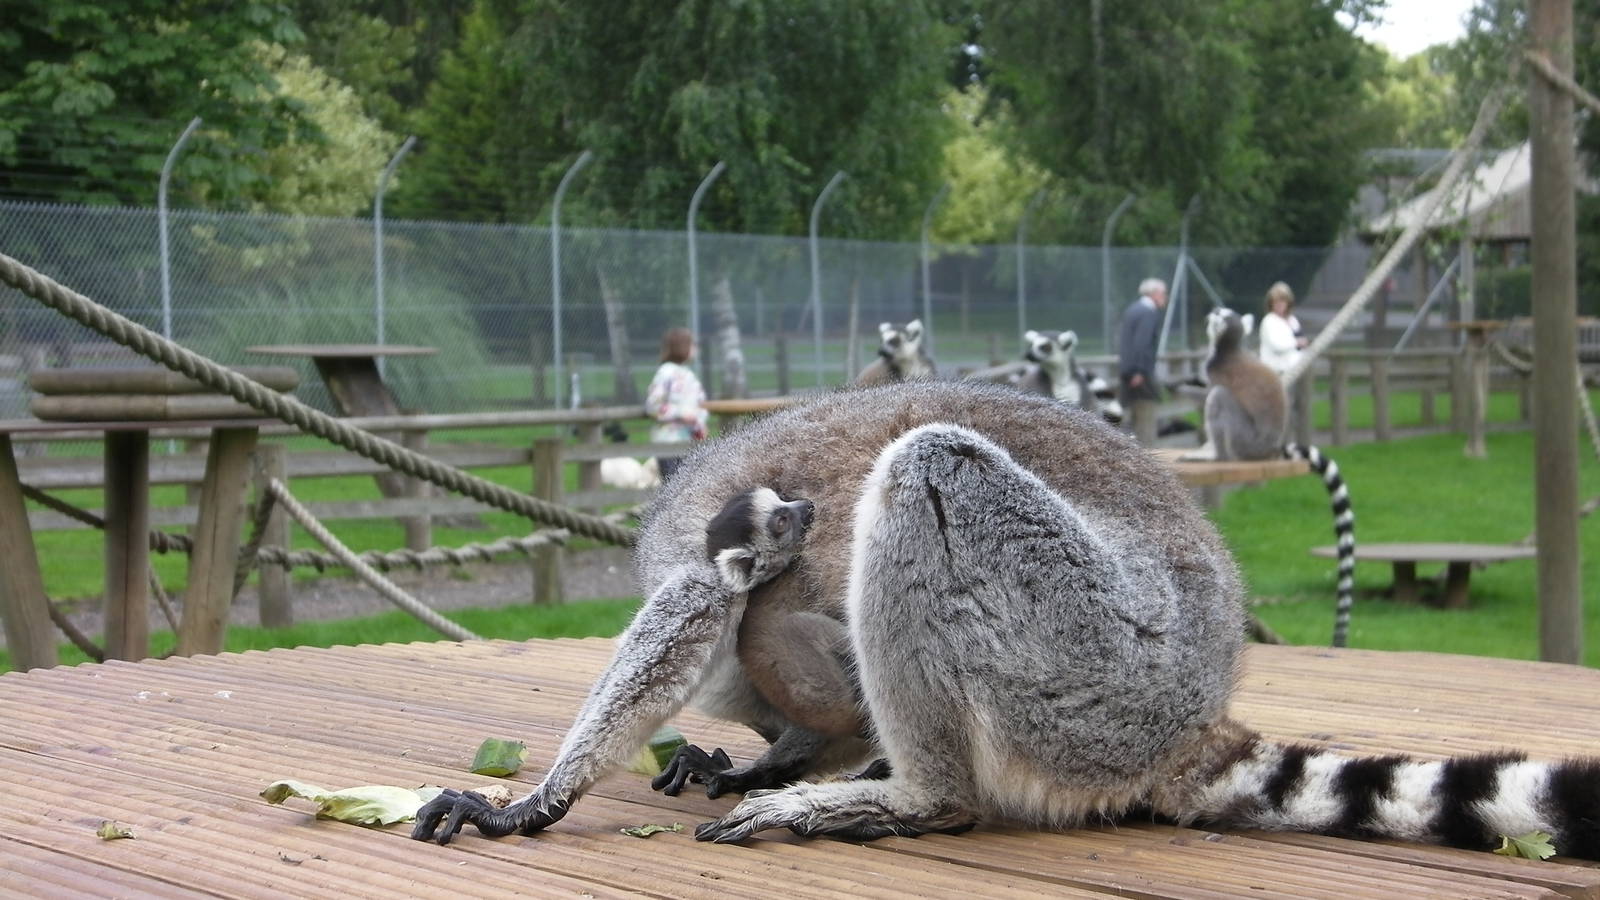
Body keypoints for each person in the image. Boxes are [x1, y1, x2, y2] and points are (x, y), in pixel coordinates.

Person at [645, 326, 707, 481]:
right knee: (673, 485)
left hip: (689, 444)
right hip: (668, 443)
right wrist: (681, 414)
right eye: (692, 344)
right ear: (682, 346)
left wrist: (699, 425)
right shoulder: (665, 373)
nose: (695, 348)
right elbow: (653, 406)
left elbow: (698, 404)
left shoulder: (688, 375)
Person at [1117, 277, 1168, 445]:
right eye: (1163, 293)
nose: (1165, 297)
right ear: (1154, 293)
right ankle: (1147, 454)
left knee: (1129, 416)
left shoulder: (1133, 309)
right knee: (1146, 413)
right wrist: (1139, 371)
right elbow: (1142, 343)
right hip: (1140, 373)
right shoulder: (1148, 312)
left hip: (1127, 370)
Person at [1260, 281, 1310, 439]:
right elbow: (1278, 345)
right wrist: (1296, 343)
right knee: (1280, 410)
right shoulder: (1269, 321)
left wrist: (1300, 345)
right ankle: (1278, 442)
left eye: (1282, 301)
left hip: (1295, 371)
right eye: (1276, 302)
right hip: (1277, 373)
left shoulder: (1292, 321)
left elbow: (1301, 342)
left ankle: (1295, 441)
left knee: (1297, 409)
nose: (1279, 305)